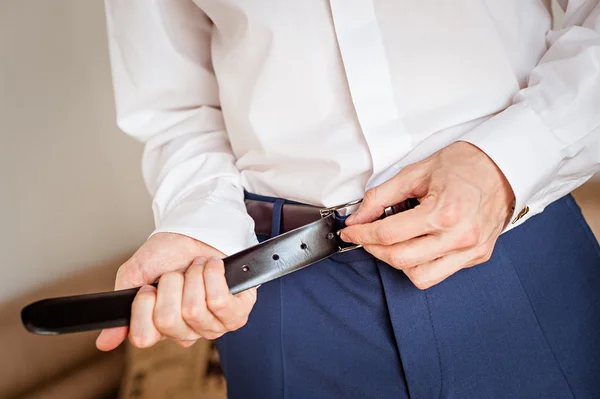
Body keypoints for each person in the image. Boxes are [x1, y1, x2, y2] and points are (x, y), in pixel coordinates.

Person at [98, 0, 600, 397]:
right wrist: (196, 219)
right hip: (284, 295)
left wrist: (508, 160)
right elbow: (177, 105)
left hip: (518, 248)